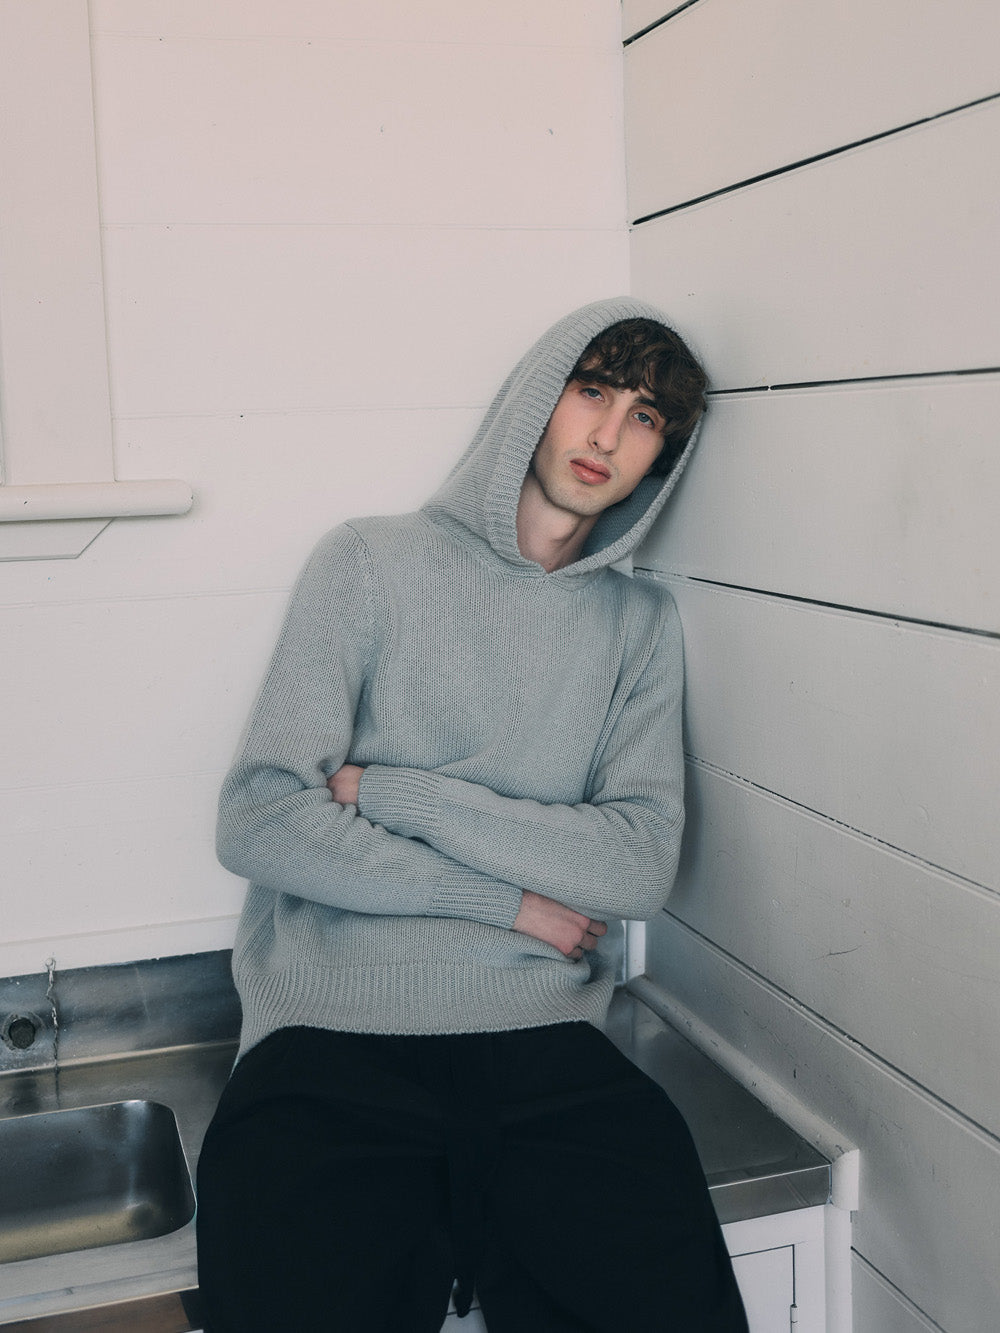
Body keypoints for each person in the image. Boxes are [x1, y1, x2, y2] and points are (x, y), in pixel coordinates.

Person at [196, 297, 750, 1332]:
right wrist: (511, 903)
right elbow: (261, 820)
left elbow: (635, 867)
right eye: (592, 391)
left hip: (544, 1042)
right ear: (537, 397)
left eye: (643, 417)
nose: (606, 435)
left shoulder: (638, 625)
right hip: (332, 1035)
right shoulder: (368, 561)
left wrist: (399, 793)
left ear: (661, 456)